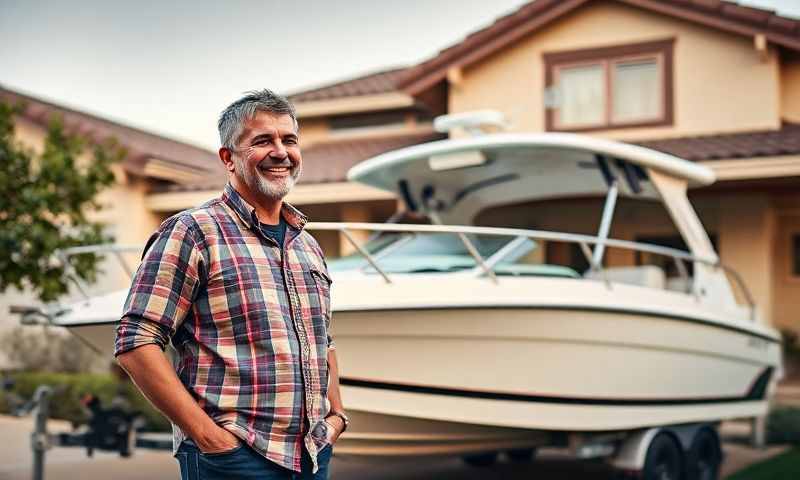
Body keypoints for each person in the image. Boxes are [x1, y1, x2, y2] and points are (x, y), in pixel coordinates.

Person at [114, 89, 347, 480]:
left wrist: (336, 416)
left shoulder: (307, 244)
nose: (280, 152)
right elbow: (135, 341)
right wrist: (209, 438)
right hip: (233, 460)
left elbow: (325, 340)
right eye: (262, 141)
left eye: (289, 140)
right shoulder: (193, 232)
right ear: (229, 158)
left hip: (311, 455)